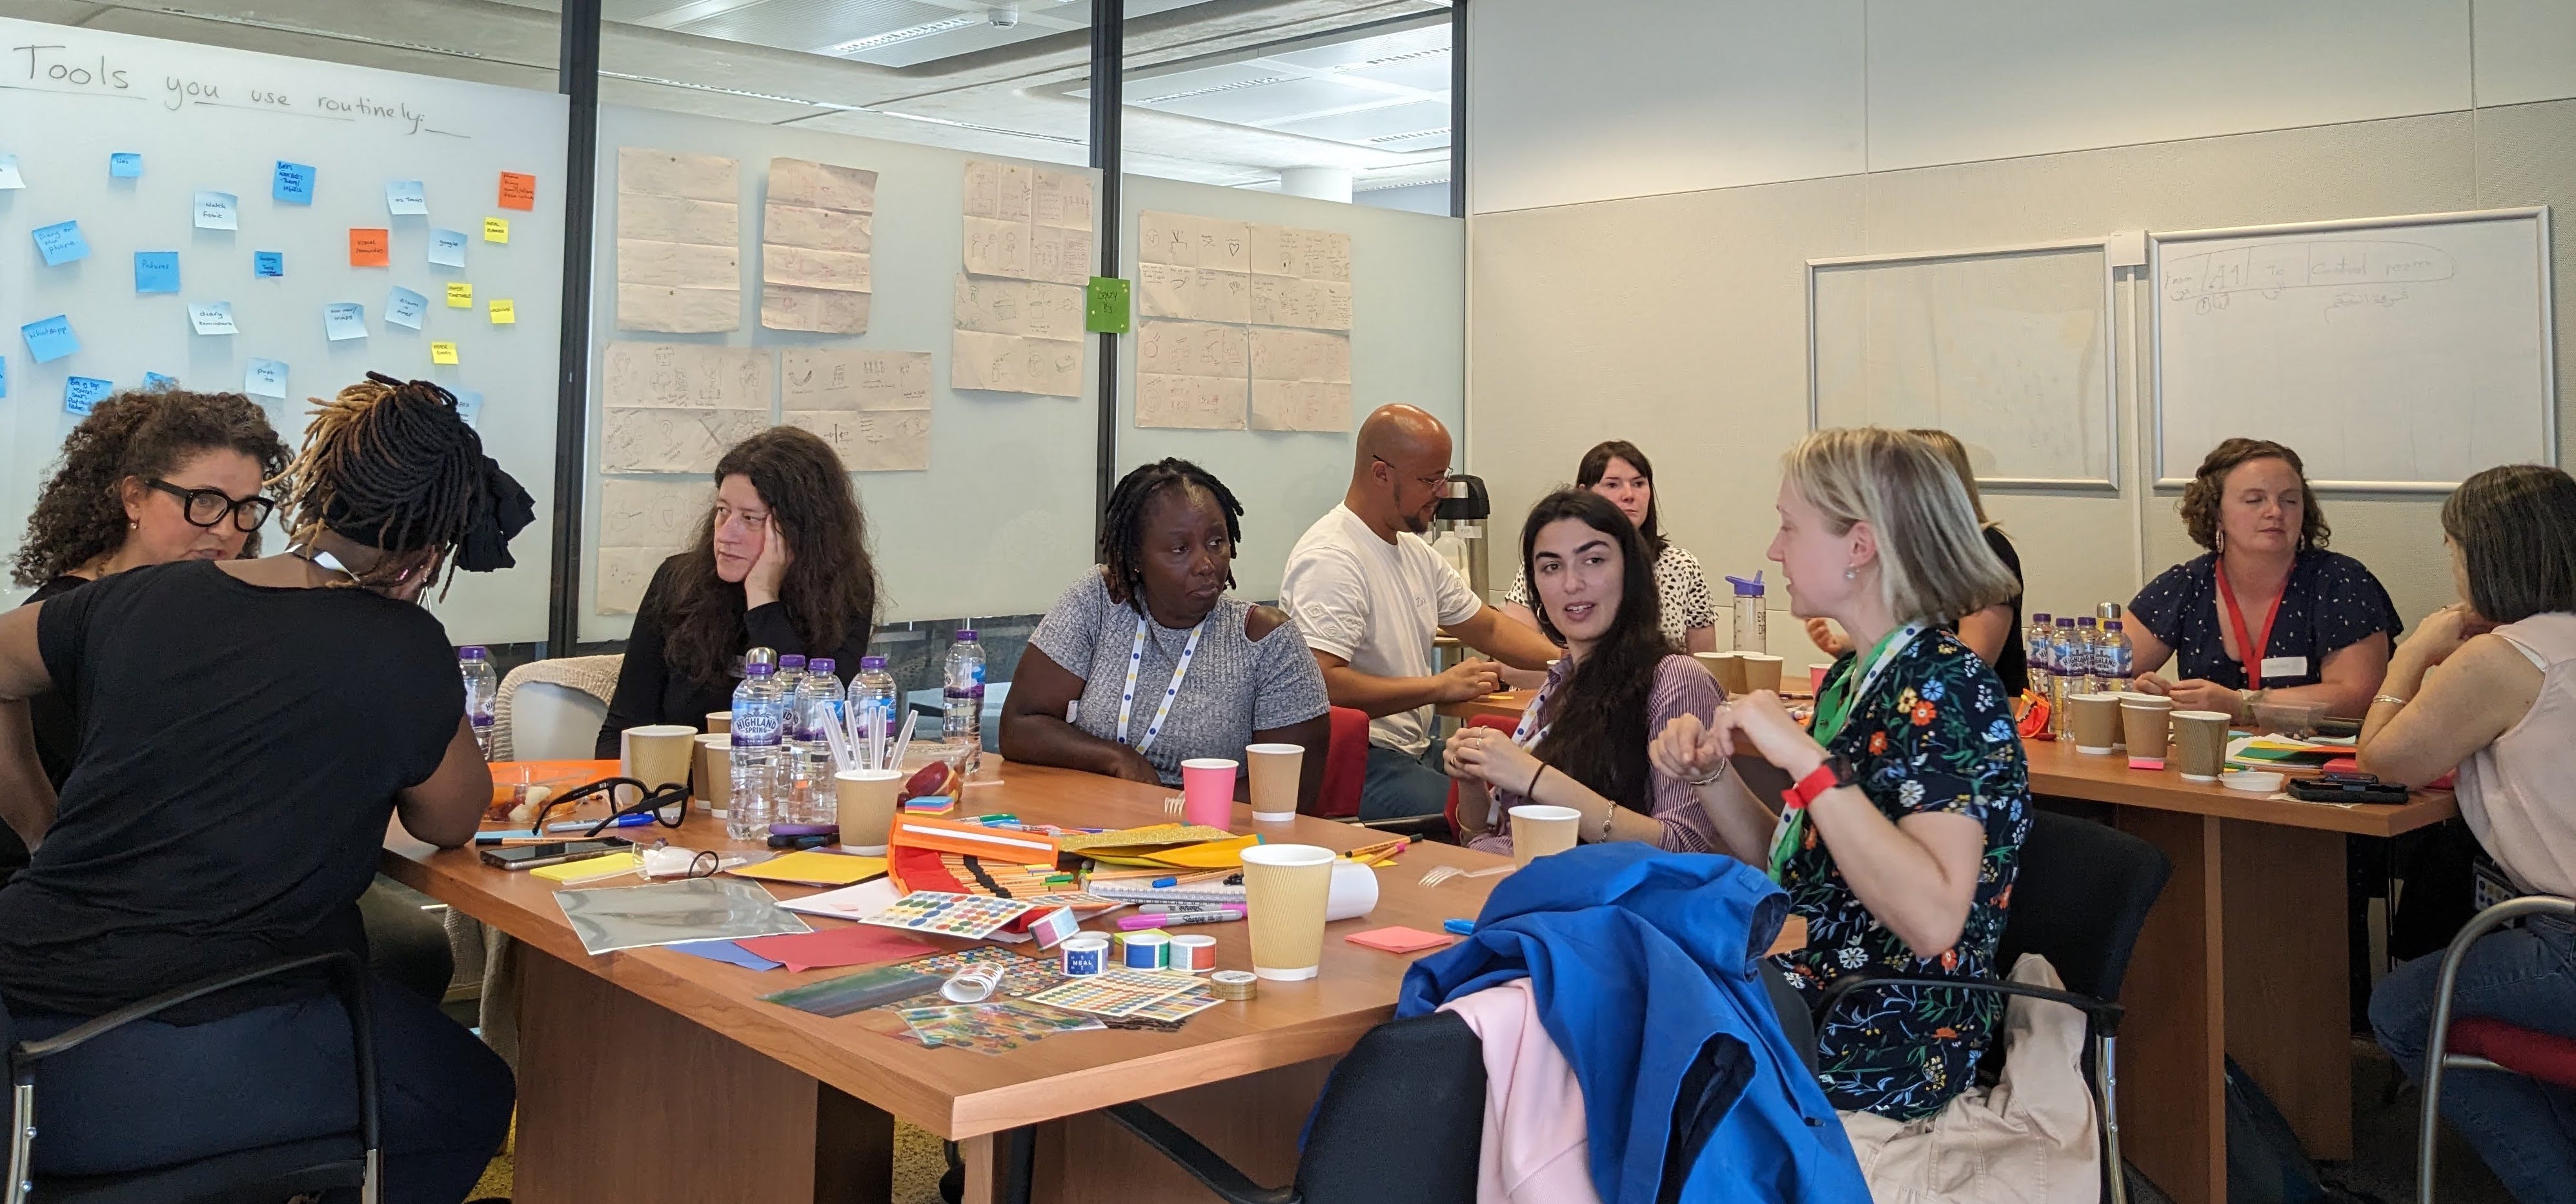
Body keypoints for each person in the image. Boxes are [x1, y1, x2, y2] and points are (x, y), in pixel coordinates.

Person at [0, 372, 527, 1203]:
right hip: (167, 1053)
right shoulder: (403, 648)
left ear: (305, 493)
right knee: (471, 1093)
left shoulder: (135, 598)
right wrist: (400, 619)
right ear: (429, 552)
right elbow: (453, 814)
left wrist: (41, 825)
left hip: (23, 1026)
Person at [1650, 426, 2030, 1120]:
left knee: (1611, 1025)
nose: (1773, 549)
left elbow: (1932, 920)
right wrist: (1711, 777)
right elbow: (1804, 865)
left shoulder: (1945, 686)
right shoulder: (1854, 678)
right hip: (1816, 986)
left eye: (1789, 527)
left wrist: (1804, 757)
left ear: (1859, 546)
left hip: (1884, 1031)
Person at [2357, 464, 2576, 1202]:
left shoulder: (2504, 657)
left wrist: (2415, 650)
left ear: (2484, 554)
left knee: (2401, 1008)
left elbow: (2385, 759)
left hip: (2565, 941)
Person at [6, 388, 290, 852]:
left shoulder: (201, 610)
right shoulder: (67, 618)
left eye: (244, 508)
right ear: (134, 498)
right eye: (203, 500)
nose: (224, 529)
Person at [1281, 404, 1561, 819]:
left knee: (1532, 797)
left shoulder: (1412, 550)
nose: (1443, 492)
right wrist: (1437, 687)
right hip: (1358, 762)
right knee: (1492, 819)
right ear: (1381, 474)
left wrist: (1572, 661)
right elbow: (1321, 687)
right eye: (1431, 480)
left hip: (1411, 750)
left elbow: (1489, 628)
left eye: (1444, 477)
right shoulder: (1332, 559)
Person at [1004, 459, 1332, 807]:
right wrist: (1118, 759)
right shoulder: (1099, 601)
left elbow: (1288, 795)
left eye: (1216, 542)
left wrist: (1159, 806)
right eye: (1180, 549)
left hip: (1212, 838)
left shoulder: (1267, 641)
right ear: (1135, 558)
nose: (1206, 564)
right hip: (1091, 818)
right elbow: (1019, 727)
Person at [1448, 489, 1724, 857]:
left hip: (1605, 905)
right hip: (1512, 889)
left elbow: (1682, 847)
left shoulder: (1675, 679)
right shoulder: (1561, 681)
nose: (1571, 584)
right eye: (1551, 567)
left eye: (1593, 561)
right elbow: (1491, 844)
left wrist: (1533, 776)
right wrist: (1471, 781)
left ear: (1631, 571)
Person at [600, 425, 878, 756]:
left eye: (750, 518)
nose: (726, 534)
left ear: (799, 530)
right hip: (677, 793)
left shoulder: (845, 592)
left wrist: (763, 598)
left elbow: (814, 727)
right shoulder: (677, 581)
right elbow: (623, 730)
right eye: (723, 511)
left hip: (786, 793)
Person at [2125, 438, 2399, 722]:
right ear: (2216, 513)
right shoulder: (2187, 584)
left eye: (2290, 500)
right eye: (2255, 500)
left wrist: (2242, 705)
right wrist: (2144, 694)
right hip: (2206, 757)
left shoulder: (2341, 582)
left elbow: (2359, 696)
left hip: (2313, 760)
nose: (2275, 512)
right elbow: (2104, 674)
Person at [1804, 430, 2027, 694]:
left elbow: (1971, 661)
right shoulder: (1910, 554)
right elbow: (1907, 641)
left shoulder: (1986, 549)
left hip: (1977, 718)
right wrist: (1849, 647)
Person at [1497, 440, 1717, 653]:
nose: (1629, 495)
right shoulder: (1551, 561)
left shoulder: (1681, 565)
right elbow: (1509, 660)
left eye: (1639, 484)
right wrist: (1574, 662)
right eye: (1613, 485)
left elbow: (1708, 665)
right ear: (1583, 493)